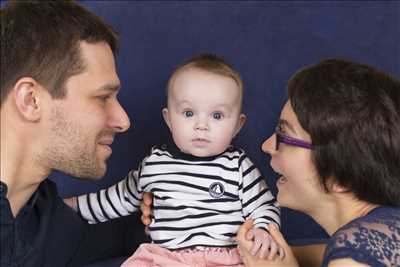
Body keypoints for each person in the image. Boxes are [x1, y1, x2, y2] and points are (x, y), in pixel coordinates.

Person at [68, 54, 282, 266]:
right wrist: (73, 206)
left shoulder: (238, 166)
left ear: (237, 125)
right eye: (188, 113)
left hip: (226, 258)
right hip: (168, 258)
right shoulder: (154, 164)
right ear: (169, 119)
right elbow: (119, 198)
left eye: (216, 116)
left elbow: (264, 205)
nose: (201, 125)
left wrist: (262, 230)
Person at [0, 1, 149, 266]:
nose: (123, 121)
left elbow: (125, 237)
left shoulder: (48, 222)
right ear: (31, 100)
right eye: (103, 97)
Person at [235, 59, 400, 267]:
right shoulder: (383, 231)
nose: (267, 146)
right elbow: (324, 251)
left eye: (283, 135)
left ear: (341, 175)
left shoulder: (350, 259)